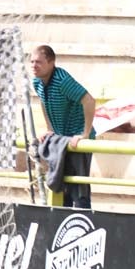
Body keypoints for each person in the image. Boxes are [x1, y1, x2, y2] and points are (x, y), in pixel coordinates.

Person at [30, 45, 96, 209]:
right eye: (31, 62)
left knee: (79, 190)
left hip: (76, 139)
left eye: (38, 62)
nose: (33, 66)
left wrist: (84, 133)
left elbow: (89, 100)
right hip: (61, 140)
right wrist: (50, 129)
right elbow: (43, 103)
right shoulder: (37, 82)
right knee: (62, 187)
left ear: (51, 62)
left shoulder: (62, 80)